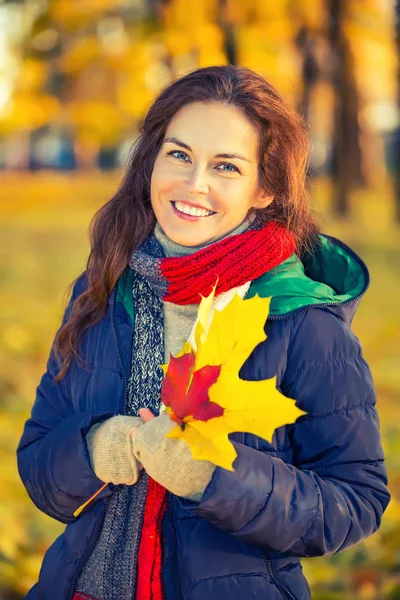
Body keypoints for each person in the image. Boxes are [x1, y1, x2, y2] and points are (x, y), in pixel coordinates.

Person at [17, 65, 390, 600]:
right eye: (179, 154)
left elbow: (356, 502)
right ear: (152, 160)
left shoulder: (302, 320)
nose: (194, 184)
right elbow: (37, 463)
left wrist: (215, 476)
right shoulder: (101, 292)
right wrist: (96, 449)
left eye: (226, 166)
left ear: (264, 188)